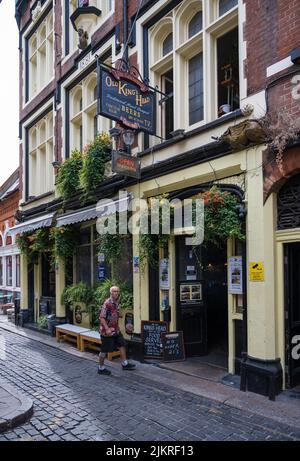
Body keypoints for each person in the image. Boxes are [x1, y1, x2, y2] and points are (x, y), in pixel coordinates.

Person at [97, 286, 136, 375]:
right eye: (114, 291)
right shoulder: (107, 303)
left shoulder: (116, 303)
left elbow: (115, 314)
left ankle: (124, 364)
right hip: (107, 332)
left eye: (118, 291)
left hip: (115, 329)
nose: (116, 293)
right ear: (111, 293)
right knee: (104, 350)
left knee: (122, 344)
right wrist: (107, 329)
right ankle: (101, 368)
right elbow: (101, 317)